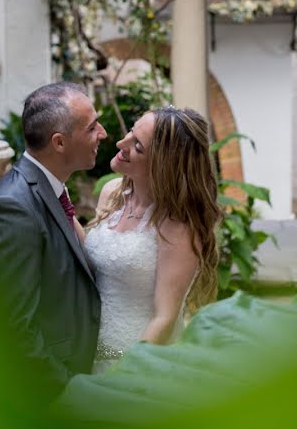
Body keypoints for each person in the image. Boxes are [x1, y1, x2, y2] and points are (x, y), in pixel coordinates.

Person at [0, 82, 107, 399]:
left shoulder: (51, 190)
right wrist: (67, 389)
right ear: (59, 143)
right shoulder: (13, 208)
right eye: (91, 127)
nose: (102, 133)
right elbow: (14, 327)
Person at [84, 106, 222, 373]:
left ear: (163, 165)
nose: (121, 143)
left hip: (138, 359)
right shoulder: (112, 193)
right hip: (90, 351)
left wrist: (123, 374)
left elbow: (165, 317)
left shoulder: (178, 226)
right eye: (131, 133)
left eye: (137, 146)